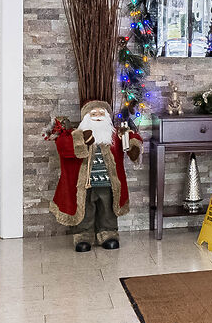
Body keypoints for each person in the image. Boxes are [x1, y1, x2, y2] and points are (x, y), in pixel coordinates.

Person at [47, 101, 142, 250]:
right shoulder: (78, 135)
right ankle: (84, 235)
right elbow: (64, 146)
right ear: (86, 117)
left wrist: (133, 145)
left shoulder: (115, 135)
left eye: (101, 113)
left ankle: (108, 233)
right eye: (93, 113)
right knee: (85, 210)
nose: (98, 116)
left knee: (108, 209)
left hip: (108, 183)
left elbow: (131, 138)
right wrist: (81, 140)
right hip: (86, 184)